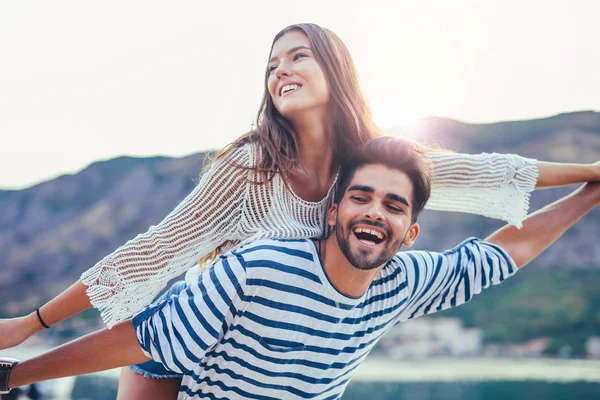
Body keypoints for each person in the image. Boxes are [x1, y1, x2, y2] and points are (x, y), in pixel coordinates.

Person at [1, 23, 598, 399]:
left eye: (297, 56)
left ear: (335, 71)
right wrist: (31, 324)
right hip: (188, 334)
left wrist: (592, 176)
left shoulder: (374, 166)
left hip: (288, 357)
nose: (280, 70)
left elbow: (496, 174)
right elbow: (152, 253)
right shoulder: (249, 168)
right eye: (271, 64)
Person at [2, 137, 599, 399]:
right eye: (362, 197)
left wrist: (589, 191)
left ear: (411, 232)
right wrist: (11, 377)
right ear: (334, 209)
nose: (375, 213)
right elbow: (140, 339)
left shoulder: (403, 282)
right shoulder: (258, 269)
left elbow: (502, 253)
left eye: (394, 205)